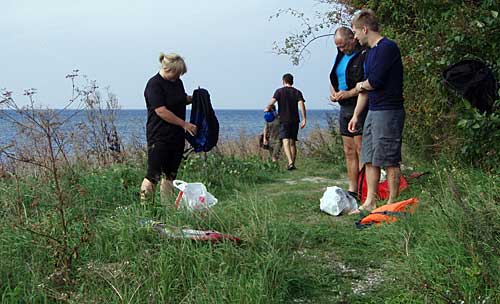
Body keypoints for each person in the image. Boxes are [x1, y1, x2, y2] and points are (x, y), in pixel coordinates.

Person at [347, 9, 405, 213]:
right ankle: (370, 201)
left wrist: (360, 86)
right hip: (372, 110)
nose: (354, 36)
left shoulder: (387, 48)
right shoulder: (368, 53)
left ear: (365, 29)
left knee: (388, 158)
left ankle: (391, 204)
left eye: (355, 32)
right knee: (370, 157)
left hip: (389, 111)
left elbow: (374, 82)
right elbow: (365, 88)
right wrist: (356, 115)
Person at [140, 53, 197, 203]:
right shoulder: (154, 85)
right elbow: (161, 111)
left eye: (180, 74)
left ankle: (167, 208)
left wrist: (194, 98)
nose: (177, 77)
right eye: (175, 73)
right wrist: (184, 124)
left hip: (176, 136)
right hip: (159, 136)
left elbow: (179, 99)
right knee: (153, 175)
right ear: (166, 69)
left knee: (170, 175)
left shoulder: (177, 82)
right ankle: (146, 208)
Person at [329, 26, 367, 198]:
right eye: (338, 47)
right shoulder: (340, 55)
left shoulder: (363, 55)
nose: (341, 49)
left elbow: (365, 85)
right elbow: (333, 77)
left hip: (358, 104)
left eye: (343, 46)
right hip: (343, 106)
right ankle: (353, 190)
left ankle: (365, 188)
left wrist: (348, 93)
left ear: (352, 38)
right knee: (348, 150)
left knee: (360, 148)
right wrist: (334, 93)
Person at [266, 73, 307, 170]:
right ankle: (292, 163)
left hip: (283, 120)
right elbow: (301, 105)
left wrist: (267, 108)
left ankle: (290, 163)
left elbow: (272, 102)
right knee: (293, 142)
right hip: (295, 120)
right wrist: (304, 118)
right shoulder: (297, 92)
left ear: (283, 81)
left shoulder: (279, 91)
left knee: (285, 142)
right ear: (292, 81)